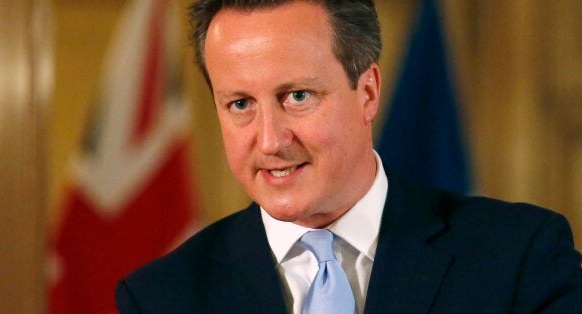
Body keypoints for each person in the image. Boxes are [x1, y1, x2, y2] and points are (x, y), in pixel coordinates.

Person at [116, 1, 582, 313]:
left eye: (297, 96)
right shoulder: (161, 298)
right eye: (240, 104)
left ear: (368, 91)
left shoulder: (521, 259)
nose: (270, 141)